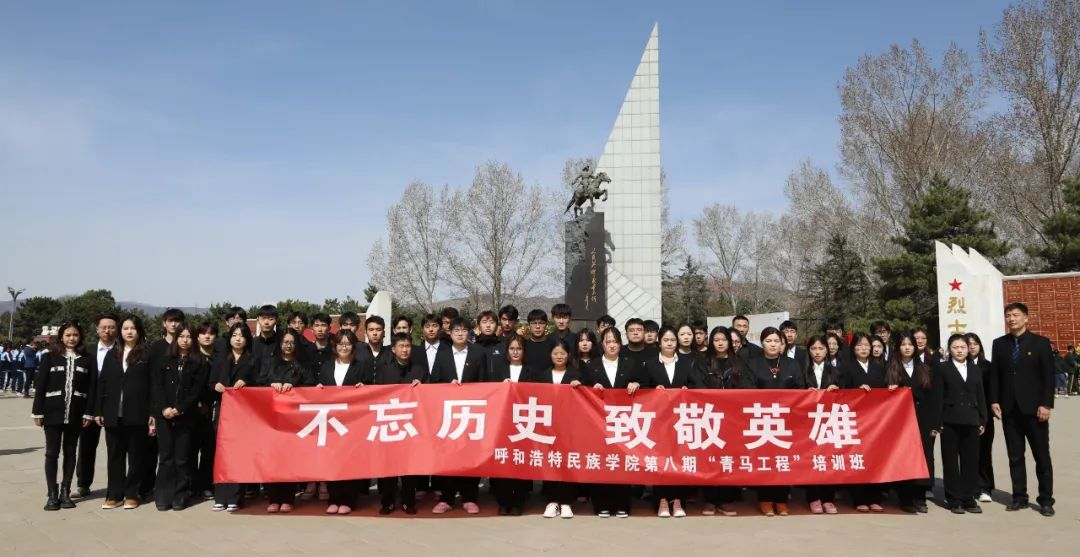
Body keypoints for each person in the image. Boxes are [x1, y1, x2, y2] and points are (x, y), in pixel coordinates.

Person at [989, 302, 1056, 517]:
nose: (1011, 319)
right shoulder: (999, 344)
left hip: (1035, 410)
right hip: (1010, 410)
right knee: (1015, 457)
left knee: (1041, 456)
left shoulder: (1040, 343)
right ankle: (1019, 497)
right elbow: (995, 375)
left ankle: (1045, 500)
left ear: (1026, 318)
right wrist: (994, 400)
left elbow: (1049, 377)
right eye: (1008, 315)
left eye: (1016, 315)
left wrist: (1046, 404)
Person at [740, 327, 804, 517]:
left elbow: (800, 388)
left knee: (783, 460)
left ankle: (781, 499)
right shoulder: (752, 363)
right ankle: (765, 499)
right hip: (762, 419)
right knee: (765, 460)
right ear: (762, 343)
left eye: (776, 341)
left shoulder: (792, 364)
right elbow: (747, 388)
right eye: (769, 341)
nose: (773, 344)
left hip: (786, 419)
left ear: (782, 344)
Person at [32, 322, 94, 511]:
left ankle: (65, 491)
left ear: (80, 337)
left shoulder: (87, 359)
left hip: (76, 413)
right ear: (61, 336)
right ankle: (52, 493)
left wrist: (89, 412)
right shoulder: (49, 357)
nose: (71, 338)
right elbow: (41, 385)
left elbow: (92, 388)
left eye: (75, 335)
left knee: (70, 452)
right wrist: (37, 411)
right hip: (52, 413)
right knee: (52, 453)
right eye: (68, 335)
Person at [429, 317, 488, 514]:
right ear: (450, 333)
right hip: (449, 414)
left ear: (469, 332)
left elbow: (485, 381)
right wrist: (447, 386)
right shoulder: (443, 354)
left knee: (471, 455)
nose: (460, 334)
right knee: (448, 456)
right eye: (456, 330)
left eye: (464, 330)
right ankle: (446, 498)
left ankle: (469, 497)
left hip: (472, 412)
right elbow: (434, 382)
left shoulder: (478, 352)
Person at [94, 314, 152, 510]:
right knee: (114, 456)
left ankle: (132, 494)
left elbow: (154, 385)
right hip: (113, 413)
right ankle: (114, 494)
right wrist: (98, 410)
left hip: (137, 413)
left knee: (136, 456)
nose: (129, 332)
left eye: (133, 328)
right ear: (120, 331)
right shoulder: (113, 354)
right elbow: (102, 383)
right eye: (125, 328)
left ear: (139, 331)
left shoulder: (147, 354)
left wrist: (152, 412)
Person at [521, 339, 583, 519]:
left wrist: (579, 387)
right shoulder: (543, 375)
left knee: (567, 462)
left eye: (562, 353)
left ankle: (566, 502)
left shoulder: (576, 375)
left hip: (570, 427)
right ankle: (552, 501)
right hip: (547, 426)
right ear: (550, 355)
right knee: (550, 462)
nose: (559, 356)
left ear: (568, 355)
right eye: (556, 353)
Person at [151, 323, 210, 511]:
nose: (185, 340)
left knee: (182, 458)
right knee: (166, 457)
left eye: (189, 337)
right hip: (164, 415)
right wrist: (164, 408)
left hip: (186, 416)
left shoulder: (200, 362)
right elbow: (157, 386)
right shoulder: (164, 360)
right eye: (181, 336)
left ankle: (181, 494)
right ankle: (163, 495)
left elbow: (196, 390)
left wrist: (179, 408)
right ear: (176, 338)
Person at [584, 327, 642, 518]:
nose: (612, 345)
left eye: (615, 341)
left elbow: (644, 383)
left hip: (622, 422)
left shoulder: (630, 364)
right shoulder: (591, 366)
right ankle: (601, 504)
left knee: (621, 462)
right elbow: (582, 389)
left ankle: (622, 504)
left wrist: (636, 383)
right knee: (601, 462)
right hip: (598, 423)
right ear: (602, 344)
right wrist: (591, 388)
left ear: (620, 344)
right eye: (608, 341)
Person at [258, 329, 315, 513]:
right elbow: (258, 384)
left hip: (294, 421)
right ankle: (273, 498)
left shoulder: (303, 364)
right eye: (285, 342)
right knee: (272, 460)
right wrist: (270, 386)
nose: (288, 346)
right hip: (271, 420)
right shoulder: (270, 363)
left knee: (289, 460)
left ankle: (288, 498)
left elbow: (310, 387)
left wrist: (294, 388)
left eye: (292, 342)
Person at [641, 326, 695, 518]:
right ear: (659, 342)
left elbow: (696, 385)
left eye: (672, 340)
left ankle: (678, 500)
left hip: (681, 419)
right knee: (661, 460)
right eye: (666, 340)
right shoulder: (650, 364)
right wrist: (653, 390)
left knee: (679, 459)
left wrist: (687, 390)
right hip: (659, 420)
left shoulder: (687, 363)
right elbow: (643, 389)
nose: (670, 343)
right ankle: (662, 500)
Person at [316, 329, 371, 514]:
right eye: (341, 344)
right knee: (332, 460)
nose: (344, 347)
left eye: (348, 344)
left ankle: (349, 500)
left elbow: (371, 390)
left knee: (350, 461)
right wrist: (318, 389)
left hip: (352, 422)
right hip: (331, 422)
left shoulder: (361, 366)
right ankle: (333, 499)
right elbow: (319, 389)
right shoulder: (326, 367)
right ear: (335, 346)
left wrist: (364, 387)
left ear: (354, 346)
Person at [690, 326, 742, 516]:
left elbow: (746, 387)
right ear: (711, 342)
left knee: (728, 459)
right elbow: (696, 384)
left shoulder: (739, 362)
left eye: (724, 339)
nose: (720, 343)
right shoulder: (702, 361)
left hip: (732, 418)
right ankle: (710, 500)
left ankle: (726, 500)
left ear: (730, 342)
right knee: (709, 459)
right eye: (716, 339)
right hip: (709, 416)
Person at [887, 332, 941, 514]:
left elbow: (934, 397)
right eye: (903, 344)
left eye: (910, 344)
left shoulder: (926, 368)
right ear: (898, 348)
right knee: (904, 456)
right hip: (901, 421)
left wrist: (935, 424)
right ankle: (905, 497)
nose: (907, 347)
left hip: (923, 419)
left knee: (924, 456)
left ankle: (921, 496)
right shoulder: (891, 368)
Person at [372, 333, 425, 515]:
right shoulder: (383, 371)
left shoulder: (419, 370)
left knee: (410, 467)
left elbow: (430, 396)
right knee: (388, 466)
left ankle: (408, 501)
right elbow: (375, 395)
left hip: (411, 426)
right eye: (401, 346)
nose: (404, 349)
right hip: (389, 424)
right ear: (393, 349)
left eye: (408, 346)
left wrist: (422, 387)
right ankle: (387, 501)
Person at [210, 323, 258, 512]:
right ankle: (220, 496)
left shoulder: (253, 360)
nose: (238, 339)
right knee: (222, 454)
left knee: (238, 455)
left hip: (243, 415)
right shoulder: (220, 359)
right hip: (223, 412)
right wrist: (215, 386)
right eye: (235, 335)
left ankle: (236, 497)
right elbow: (210, 383)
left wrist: (247, 382)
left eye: (242, 335)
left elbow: (260, 384)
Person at [938, 334, 987, 514]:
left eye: (963, 347)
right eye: (955, 347)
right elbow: (938, 395)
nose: (959, 351)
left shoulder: (975, 368)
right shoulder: (943, 368)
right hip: (950, 420)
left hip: (971, 419)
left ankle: (968, 498)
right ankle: (954, 499)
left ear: (968, 349)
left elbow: (980, 394)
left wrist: (982, 418)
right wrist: (938, 421)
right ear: (949, 350)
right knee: (951, 462)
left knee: (970, 461)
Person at [840, 333, 888, 512]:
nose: (863, 348)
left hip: (876, 421)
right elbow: (841, 392)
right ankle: (858, 498)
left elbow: (885, 391)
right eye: (859, 345)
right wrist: (856, 391)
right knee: (858, 458)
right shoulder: (847, 367)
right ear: (853, 348)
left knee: (874, 458)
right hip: (856, 419)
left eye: (867, 345)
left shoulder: (879, 368)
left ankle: (875, 497)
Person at [74, 312, 118, 499]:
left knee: (115, 448)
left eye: (111, 327)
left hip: (114, 405)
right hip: (90, 405)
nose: (107, 330)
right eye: (104, 327)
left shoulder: (122, 350)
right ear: (97, 329)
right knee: (86, 445)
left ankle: (116, 486)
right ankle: (83, 484)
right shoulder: (87, 351)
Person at [487, 333, 532, 516]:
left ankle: (518, 502)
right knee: (503, 461)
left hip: (524, 424)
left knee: (521, 461)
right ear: (507, 351)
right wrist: (500, 386)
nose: (515, 352)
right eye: (512, 348)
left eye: (519, 348)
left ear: (524, 351)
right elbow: (489, 394)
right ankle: (503, 501)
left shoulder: (531, 371)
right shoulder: (498, 370)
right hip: (502, 423)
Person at [802, 335, 842, 514]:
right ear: (808, 351)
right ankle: (813, 497)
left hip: (829, 419)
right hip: (808, 419)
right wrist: (805, 392)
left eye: (821, 348)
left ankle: (828, 498)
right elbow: (795, 389)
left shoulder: (836, 371)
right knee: (812, 458)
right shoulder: (802, 369)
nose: (817, 352)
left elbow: (847, 392)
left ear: (827, 350)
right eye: (813, 349)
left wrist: (836, 390)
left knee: (829, 457)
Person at [965, 332, 994, 503]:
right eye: (969, 344)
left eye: (975, 344)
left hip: (984, 415)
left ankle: (985, 487)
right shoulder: (959, 366)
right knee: (967, 453)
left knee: (984, 452)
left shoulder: (987, 367)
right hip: (964, 415)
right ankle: (969, 486)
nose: (972, 347)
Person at [191, 321, 217, 500]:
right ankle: (192, 485)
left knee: (209, 450)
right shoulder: (191, 357)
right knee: (191, 450)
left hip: (213, 410)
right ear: (197, 336)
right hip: (193, 409)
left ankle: (206, 484)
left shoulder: (220, 358)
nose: (207, 336)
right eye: (203, 333)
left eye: (211, 333)